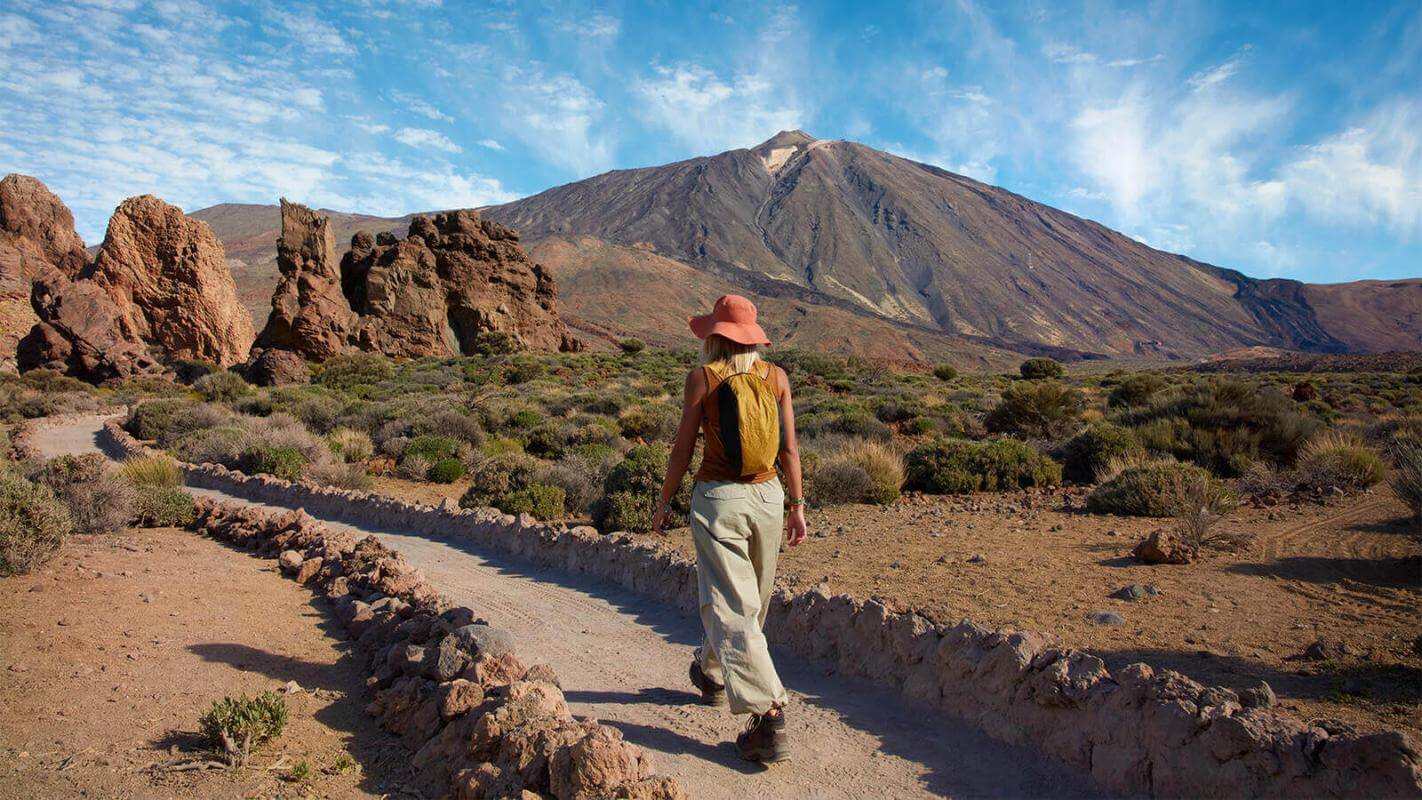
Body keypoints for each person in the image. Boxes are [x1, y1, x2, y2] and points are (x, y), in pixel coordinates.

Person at [650, 294, 807, 764]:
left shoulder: (702, 378)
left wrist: (664, 500)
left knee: (731, 605)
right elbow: (790, 449)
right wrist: (796, 505)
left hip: (719, 500)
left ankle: (769, 714)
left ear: (715, 337)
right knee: (749, 603)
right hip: (768, 498)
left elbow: (682, 449)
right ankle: (713, 673)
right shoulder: (776, 377)